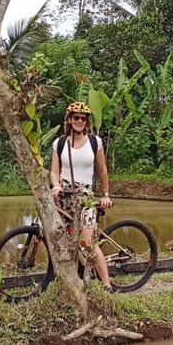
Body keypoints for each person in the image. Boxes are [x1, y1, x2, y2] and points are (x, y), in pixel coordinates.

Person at [49, 101, 113, 290]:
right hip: (64, 197)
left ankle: (107, 286)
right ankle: (72, 282)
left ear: (87, 122)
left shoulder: (95, 142)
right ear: (69, 120)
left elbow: (102, 171)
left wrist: (106, 195)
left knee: (87, 243)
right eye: (75, 118)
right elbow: (54, 171)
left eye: (83, 119)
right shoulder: (59, 143)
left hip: (85, 196)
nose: (79, 121)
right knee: (66, 240)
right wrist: (55, 185)